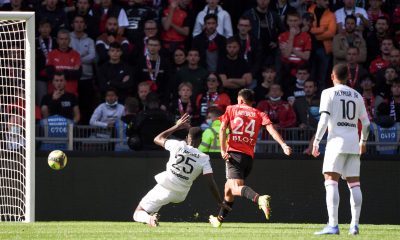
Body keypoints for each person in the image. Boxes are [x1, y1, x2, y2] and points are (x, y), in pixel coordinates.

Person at [209, 88, 292, 227]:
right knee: (228, 189)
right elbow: (271, 130)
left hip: (234, 154)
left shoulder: (231, 109)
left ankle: (259, 199)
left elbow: (222, 129)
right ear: (252, 102)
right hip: (248, 158)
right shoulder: (259, 114)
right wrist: (283, 145)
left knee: (235, 188)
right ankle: (219, 220)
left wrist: (223, 149)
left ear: (240, 100)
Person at [133, 113, 230, 227]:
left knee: (137, 213)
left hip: (165, 185)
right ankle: (152, 216)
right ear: (200, 141)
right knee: (154, 206)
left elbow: (157, 139)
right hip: (180, 194)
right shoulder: (204, 158)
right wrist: (219, 201)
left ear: (187, 138)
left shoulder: (178, 145)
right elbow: (210, 182)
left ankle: (150, 219)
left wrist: (177, 126)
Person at [312, 64, 370, 235]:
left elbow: (323, 120)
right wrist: (363, 142)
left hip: (336, 143)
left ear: (332, 76)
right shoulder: (357, 95)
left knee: (331, 181)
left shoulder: (328, 93)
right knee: (354, 184)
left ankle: (333, 224)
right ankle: (354, 225)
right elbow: (366, 124)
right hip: (353, 143)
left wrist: (316, 141)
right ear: (348, 77)